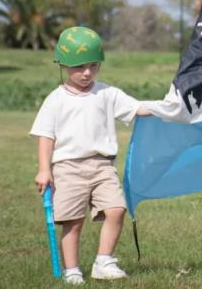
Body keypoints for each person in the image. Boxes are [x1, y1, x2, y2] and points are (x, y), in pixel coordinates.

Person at [30, 26, 150, 285]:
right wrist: (44, 169)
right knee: (72, 221)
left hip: (103, 167)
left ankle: (104, 261)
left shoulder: (107, 93)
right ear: (62, 64)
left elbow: (137, 108)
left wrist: (170, 107)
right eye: (79, 66)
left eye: (93, 66)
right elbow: (45, 135)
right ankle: (72, 269)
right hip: (68, 168)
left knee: (117, 210)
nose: (86, 73)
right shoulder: (56, 99)